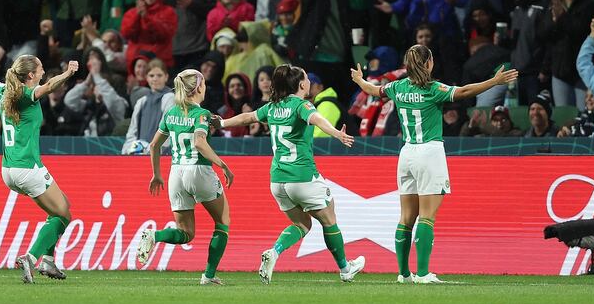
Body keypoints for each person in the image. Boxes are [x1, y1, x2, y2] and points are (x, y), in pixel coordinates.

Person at [350, 44, 517, 283]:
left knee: (406, 218)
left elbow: (372, 90)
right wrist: (494, 80)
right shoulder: (433, 89)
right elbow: (464, 91)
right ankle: (423, 273)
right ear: (428, 63)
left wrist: (358, 79)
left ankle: (404, 274)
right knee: (427, 217)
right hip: (429, 153)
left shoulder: (397, 87)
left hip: (406, 154)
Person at [213, 64, 363, 284]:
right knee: (329, 220)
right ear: (302, 84)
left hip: (278, 181)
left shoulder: (272, 107)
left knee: (302, 225)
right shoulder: (302, 105)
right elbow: (317, 120)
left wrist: (222, 122)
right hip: (302, 176)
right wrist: (335, 134)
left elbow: (247, 118)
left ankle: (274, 252)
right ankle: (345, 268)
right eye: (306, 78)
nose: (309, 81)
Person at [0, 55, 79, 283]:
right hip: (28, 168)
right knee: (64, 215)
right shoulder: (25, 95)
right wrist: (68, 73)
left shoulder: (5, 92)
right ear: (31, 75)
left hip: (8, 170)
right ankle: (32, 258)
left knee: (60, 208)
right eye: (41, 68)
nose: (43, 72)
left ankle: (49, 262)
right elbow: (50, 86)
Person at [136, 69, 233, 286]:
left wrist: (156, 175)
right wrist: (222, 164)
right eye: (204, 84)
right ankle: (208, 276)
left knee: (185, 233)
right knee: (222, 221)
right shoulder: (201, 114)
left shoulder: (171, 112)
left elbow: (154, 145)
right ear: (198, 87)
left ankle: (155, 236)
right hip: (199, 170)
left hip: (176, 174)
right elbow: (199, 142)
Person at [122, 59, 174, 154]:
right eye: (151, 75)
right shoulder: (141, 101)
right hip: (140, 154)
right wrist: (128, 149)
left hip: (162, 155)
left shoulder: (170, 98)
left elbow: (167, 131)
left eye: (159, 75)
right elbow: (132, 131)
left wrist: (152, 150)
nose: (155, 79)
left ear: (166, 77)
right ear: (146, 77)